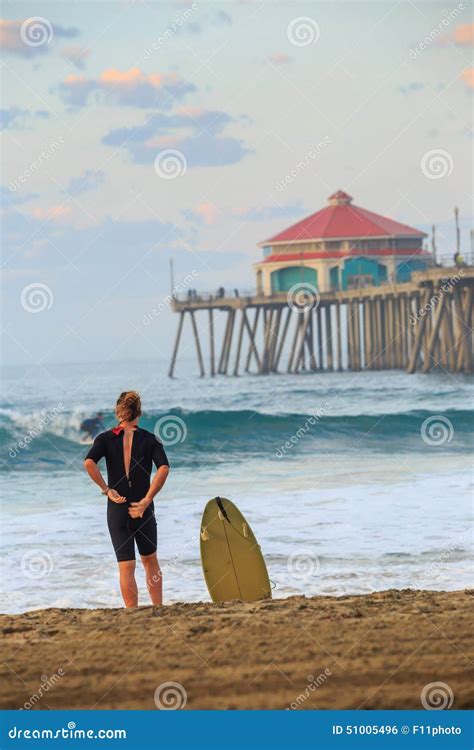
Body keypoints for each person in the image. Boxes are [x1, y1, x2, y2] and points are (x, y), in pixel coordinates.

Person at [83, 391, 170, 608]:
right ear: (138, 412)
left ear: (118, 412)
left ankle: (132, 613)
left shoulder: (105, 438)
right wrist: (147, 499)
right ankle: (158, 608)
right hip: (142, 509)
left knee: (126, 566)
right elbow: (164, 468)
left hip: (118, 508)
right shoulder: (150, 439)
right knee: (150, 561)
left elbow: (89, 463)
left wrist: (107, 490)